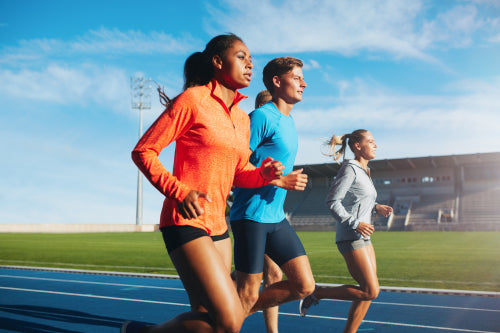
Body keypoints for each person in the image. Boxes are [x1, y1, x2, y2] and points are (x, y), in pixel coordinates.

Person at [124, 34, 289, 333]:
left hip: (219, 227)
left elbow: (239, 173)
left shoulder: (242, 119)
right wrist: (179, 190)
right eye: (241, 56)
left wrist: (263, 175)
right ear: (217, 62)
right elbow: (144, 150)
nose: (250, 63)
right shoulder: (194, 100)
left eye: (251, 58)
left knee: (206, 321)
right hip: (185, 222)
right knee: (230, 321)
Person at [229, 57, 315, 324]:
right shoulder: (261, 117)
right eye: (297, 77)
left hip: (276, 218)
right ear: (277, 82)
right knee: (247, 295)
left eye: (303, 78)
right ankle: (223, 318)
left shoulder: (288, 122)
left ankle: (226, 315)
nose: (304, 83)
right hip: (251, 217)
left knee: (304, 285)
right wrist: (279, 182)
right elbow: (232, 168)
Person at [299, 129, 393, 333]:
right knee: (371, 290)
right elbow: (332, 201)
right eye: (371, 141)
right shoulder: (350, 168)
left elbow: (359, 200)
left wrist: (377, 207)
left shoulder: (365, 170)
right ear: (357, 146)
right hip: (351, 236)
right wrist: (355, 223)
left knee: (367, 292)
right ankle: (317, 293)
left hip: (364, 237)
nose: (375, 145)